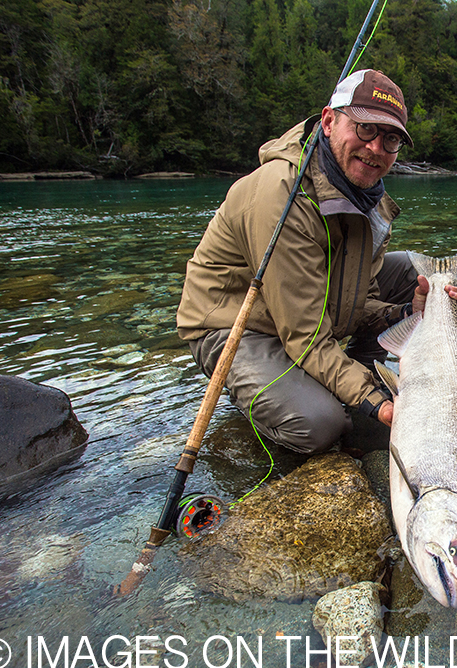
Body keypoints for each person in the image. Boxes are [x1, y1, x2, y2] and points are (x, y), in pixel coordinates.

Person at [177, 69, 436, 454]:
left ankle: (345, 374)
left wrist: (404, 313)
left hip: (307, 314)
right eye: (364, 129)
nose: (377, 148)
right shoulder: (280, 195)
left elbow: (358, 299)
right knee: (321, 424)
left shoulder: (371, 200)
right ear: (329, 121)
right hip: (237, 326)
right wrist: (379, 404)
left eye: (391, 138)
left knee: (413, 273)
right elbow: (306, 336)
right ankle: (270, 400)